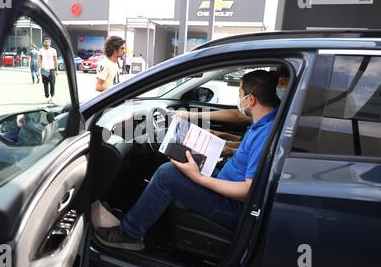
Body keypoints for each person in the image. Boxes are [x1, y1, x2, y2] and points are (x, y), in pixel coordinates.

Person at [95, 70, 280, 250]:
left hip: (235, 207)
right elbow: (247, 151)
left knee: (166, 174)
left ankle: (129, 234)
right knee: (179, 159)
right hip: (226, 180)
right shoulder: (265, 123)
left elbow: (248, 190)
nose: (239, 99)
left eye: (240, 94)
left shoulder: (265, 132)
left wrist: (198, 178)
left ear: (251, 99)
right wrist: (221, 145)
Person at [38, 37, 58, 104]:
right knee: (45, 84)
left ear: (49, 43)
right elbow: (39, 60)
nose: (45, 43)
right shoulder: (41, 50)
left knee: (52, 84)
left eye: (47, 42)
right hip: (44, 69)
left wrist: (56, 70)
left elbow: (55, 60)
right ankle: (47, 97)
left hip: (51, 69)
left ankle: (52, 97)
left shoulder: (53, 50)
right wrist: (38, 69)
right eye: (44, 42)